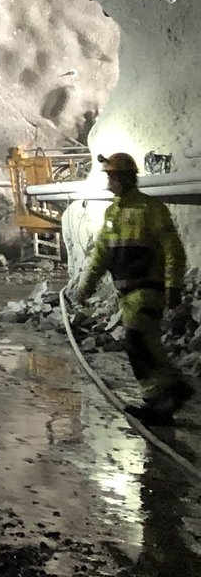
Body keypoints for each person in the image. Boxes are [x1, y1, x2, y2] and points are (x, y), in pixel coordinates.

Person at [72, 152, 194, 424]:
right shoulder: (112, 213)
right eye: (109, 176)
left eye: (113, 176)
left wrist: (173, 285)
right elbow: (102, 254)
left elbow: (173, 250)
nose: (110, 181)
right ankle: (166, 395)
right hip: (126, 294)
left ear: (127, 177)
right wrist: (86, 287)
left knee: (136, 341)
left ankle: (162, 395)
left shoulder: (150, 209)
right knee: (145, 343)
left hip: (148, 289)